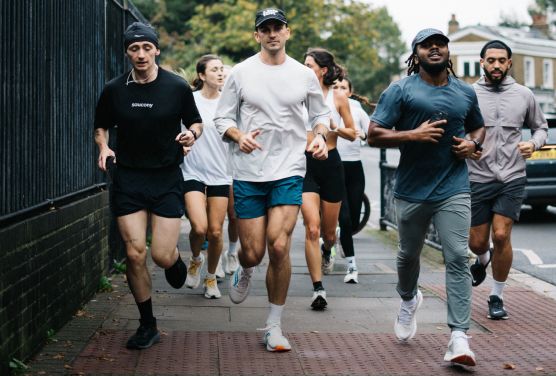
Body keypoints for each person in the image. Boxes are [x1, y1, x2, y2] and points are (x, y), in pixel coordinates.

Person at [214, 8, 330, 352]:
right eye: (265, 29)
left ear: (287, 32)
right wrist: (238, 136)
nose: (272, 34)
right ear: (257, 35)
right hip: (249, 171)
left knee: (279, 246)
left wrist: (321, 135)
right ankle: (245, 268)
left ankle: (273, 325)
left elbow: (320, 113)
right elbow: (222, 117)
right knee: (253, 252)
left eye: (277, 28)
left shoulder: (303, 75)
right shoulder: (241, 73)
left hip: (290, 169)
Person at [367, 28, 485, 366]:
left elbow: (478, 127)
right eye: (426, 44)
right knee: (407, 256)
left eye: (441, 44)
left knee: (458, 257)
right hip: (411, 189)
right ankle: (408, 299)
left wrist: (472, 144)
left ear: (448, 52)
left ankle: (459, 337)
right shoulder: (400, 90)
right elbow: (373, 134)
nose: (435, 48)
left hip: (454, 186)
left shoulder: (465, 92)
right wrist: (413, 135)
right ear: (415, 53)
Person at [94, 22, 202, 349]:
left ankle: (175, 260)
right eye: (134, 49)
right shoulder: (115, 89)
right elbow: (101, 126)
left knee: (160, 254)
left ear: (156, 49)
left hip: (166, 176)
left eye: (146, 47)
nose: (140, 54)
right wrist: (104, 147)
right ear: (127, 52)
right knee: (134, 252)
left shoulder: (177, 87)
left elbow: (195, 121)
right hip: (128, 177)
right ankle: (147, 324)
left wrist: (191, 135)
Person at [467, 40, 548, 320]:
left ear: (509, 63)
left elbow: (541, 127)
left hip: (512, 175)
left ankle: (496, 296)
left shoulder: (524, 95)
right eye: (491, 60)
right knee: (477, 242)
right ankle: (482, 258)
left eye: (502, 60)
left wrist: (534, 145)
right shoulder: (469, 94)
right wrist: (467, 146)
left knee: (501, 235)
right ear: (482, 62)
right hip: (477, 176)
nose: (497, 65)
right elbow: (457, 128)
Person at [302, 48, 356, 309]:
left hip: (332, 164)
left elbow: (353, 133)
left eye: (309, 65)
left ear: (323, 70)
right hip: (304, 165)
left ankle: (328, 248)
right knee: (311, 228)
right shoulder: (298, 94)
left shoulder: (338, 97)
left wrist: (333, 127)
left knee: (327, 233)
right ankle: (318, 289)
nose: (304, 68)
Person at [181, 54, 230, 298]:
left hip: (221, 173)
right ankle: (196, 259)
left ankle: (211, 279)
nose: (220, 73)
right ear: (202, 75)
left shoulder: (229, 103)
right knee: (199, 228)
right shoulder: (189, 100)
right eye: (214, 70)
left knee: (216, 231)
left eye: (222, 69)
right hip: (193, 170)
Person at [333, 76, 372, 284]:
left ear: (349, 91)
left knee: (354, 220)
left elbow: (371, 134)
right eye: (335, 86)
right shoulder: (328, 108)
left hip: (355, 168)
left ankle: (337, 237)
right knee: (345, 218)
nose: (339, 89)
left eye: (343, 87)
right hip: (335, 167)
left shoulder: (357, 111)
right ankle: (352, 266)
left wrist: (363, 135)